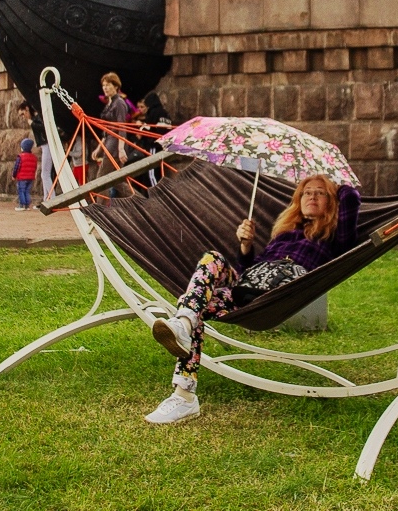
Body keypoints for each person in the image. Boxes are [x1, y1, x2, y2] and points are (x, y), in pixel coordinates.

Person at [144, 174, 361, 424]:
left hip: (278, 296)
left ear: (331, 200)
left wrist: (335, 181)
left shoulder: (333, 237)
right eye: (306, 192)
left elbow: (351, 197)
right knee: (210, 265)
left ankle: (184, 392)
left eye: (320, 193)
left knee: (194, 303)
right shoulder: (284, 234)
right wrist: (246, 246)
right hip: (244, 290)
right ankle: (183, 337)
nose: (312, 196)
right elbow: (248, 269)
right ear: (298, 200)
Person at [91, 72, 133, 199]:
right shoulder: (110, 103)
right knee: (116, 181)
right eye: (103, 85)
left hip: (115, 146)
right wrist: (99, 148)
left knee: (101, 179)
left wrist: (121, 149)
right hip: (110, 144)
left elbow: (122, 126)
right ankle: (140, 201)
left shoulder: (119, 103)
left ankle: (100, 208)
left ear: (116, 86)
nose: (105, 88)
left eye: (108, 85)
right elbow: (107, 130)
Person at [17, 100, 64, 202]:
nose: (23, 117)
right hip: (45, 145)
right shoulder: (36, 117)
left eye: (23, 114)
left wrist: (33, 124)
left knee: (45, 174)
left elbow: (45, 128)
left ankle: (52, 198)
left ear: (27, 109)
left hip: (47, 144)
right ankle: (47, 198)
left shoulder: (37, 117)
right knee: (45, 174)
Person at [13, 138, 38, 211]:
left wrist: (14, 175)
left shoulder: (20, 157)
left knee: (21, 190)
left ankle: (22, 205)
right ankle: (27, 205)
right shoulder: (34, 157)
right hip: (30, 177)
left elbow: (16, 167)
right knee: (27, 191)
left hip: (22, 177)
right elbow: (35, 167)